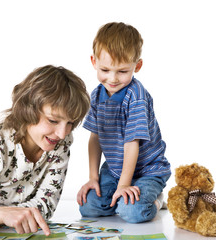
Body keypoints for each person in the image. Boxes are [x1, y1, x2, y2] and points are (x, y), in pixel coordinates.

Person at [0, 65, 90, 237]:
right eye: (53, 120)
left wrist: (9, 216)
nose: (62, 133)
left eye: (70, 123)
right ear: (28, 109)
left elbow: (46, 206)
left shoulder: (61, 142)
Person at [77, 22, 171, 223]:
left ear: (136, 66)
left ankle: (156, 200)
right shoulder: (97, 95)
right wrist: (93, 177)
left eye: (122, 71)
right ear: (93, 62)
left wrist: (123, 186)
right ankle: (117, 197)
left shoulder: (135, 96)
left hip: (147, 171)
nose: (112, 78)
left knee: (132, 212)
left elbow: (132, 143)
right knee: (89, 207)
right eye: (105, 69)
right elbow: (95, 138)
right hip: (115, 170)